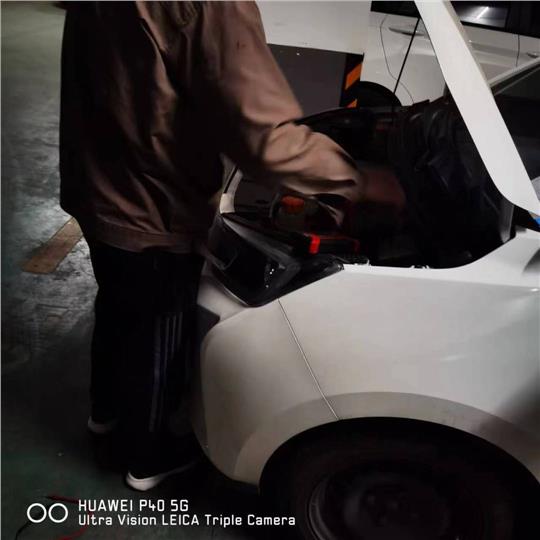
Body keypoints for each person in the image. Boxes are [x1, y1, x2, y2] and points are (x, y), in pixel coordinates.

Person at [59, 1, 367, 491]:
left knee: (118, 305)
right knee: (157, 330)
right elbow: (263, 141)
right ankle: (148, 459)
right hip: (152, 204)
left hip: (97, 180)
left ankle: (107, 419)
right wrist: (361, 181)